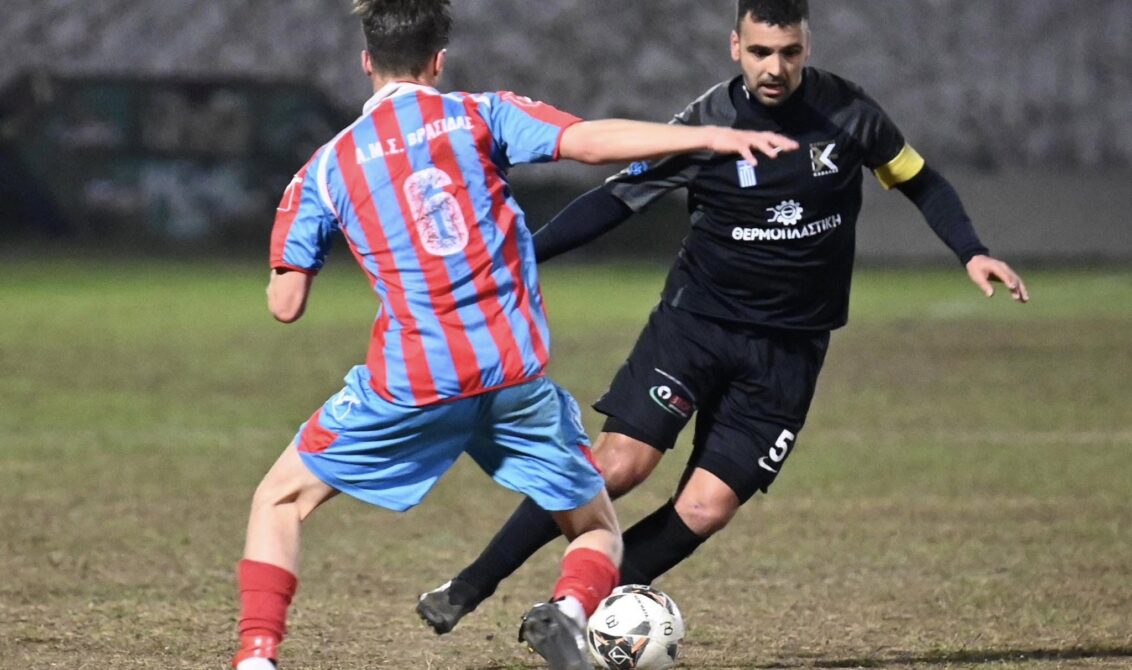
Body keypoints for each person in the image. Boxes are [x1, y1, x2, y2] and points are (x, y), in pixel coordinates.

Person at [415, 0, 1030, 636]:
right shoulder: (707, 124)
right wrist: (521, 259)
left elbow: (920, 180)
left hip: (790, 351)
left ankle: (573, 610)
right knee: (620, 464)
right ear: (735, 46)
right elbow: (615, 201)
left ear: (807, 47)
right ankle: (469, 585)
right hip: (697, 327)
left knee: (706, 508)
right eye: (760, 52)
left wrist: (972, 251)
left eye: (789, 53)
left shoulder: (849, 113)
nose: (774, 67)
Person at [230, 1, 797, 669]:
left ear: (366, 62)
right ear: (437, 61)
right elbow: (588, 142)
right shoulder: (480, 115)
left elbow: (286, 303)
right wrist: (707, 136)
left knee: (280, 498)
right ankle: (569, 611)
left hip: (414, 382)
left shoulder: (326, 169)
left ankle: (257, 656)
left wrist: (297, 254)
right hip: (513, 376)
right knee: (596, 527)